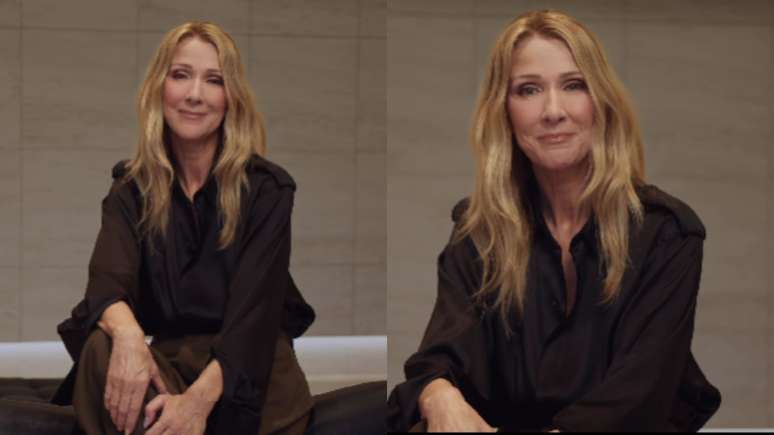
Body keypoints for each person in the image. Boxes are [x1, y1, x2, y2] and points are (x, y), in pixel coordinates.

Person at [387, 9, 721, 432]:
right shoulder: (478, 232)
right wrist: (439, 396)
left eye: (573, 85)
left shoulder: (666, 232)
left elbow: (638, 399)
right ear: (504, 110)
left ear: (601, 101)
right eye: (528, 89)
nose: (552, 110)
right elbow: (441, 355)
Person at [50, 21, 316, 435]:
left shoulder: (267, 189)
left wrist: (194, 405)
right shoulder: (131, 188)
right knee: (103, 345)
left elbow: (253, 319)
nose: (195, 94)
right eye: (181, 75)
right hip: (165, 372)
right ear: (160, 87)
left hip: (245, 380)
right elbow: (105, 286)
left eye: (214, 80)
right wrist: (130, 338)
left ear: (231, 97)